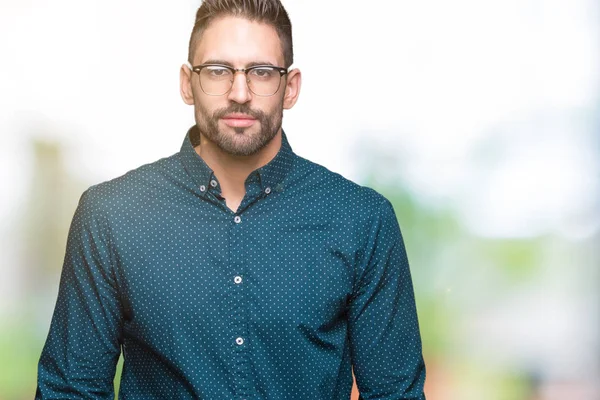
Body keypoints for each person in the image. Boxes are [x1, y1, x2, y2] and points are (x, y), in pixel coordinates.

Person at [35, 0, 427, 399]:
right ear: (188, 83)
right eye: (219, 71)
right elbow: (71, 390)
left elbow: (395, 394)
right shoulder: (112, 215)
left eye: (260, 72)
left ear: (289, 88)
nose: (240, 93)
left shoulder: (360, 219)